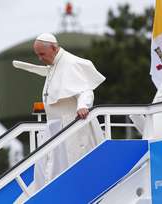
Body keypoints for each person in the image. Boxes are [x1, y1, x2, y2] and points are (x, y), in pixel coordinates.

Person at [13, 33, 106, 164]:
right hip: (55, 128)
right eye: (38, 54)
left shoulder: (70, 64)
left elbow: (85, 90)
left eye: (42, 54)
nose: (40, 58)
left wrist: (83, 106)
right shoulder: (55, 64)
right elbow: (47, 71)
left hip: (71, 128)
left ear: (54, 48)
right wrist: (29, 68)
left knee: (73, 167)